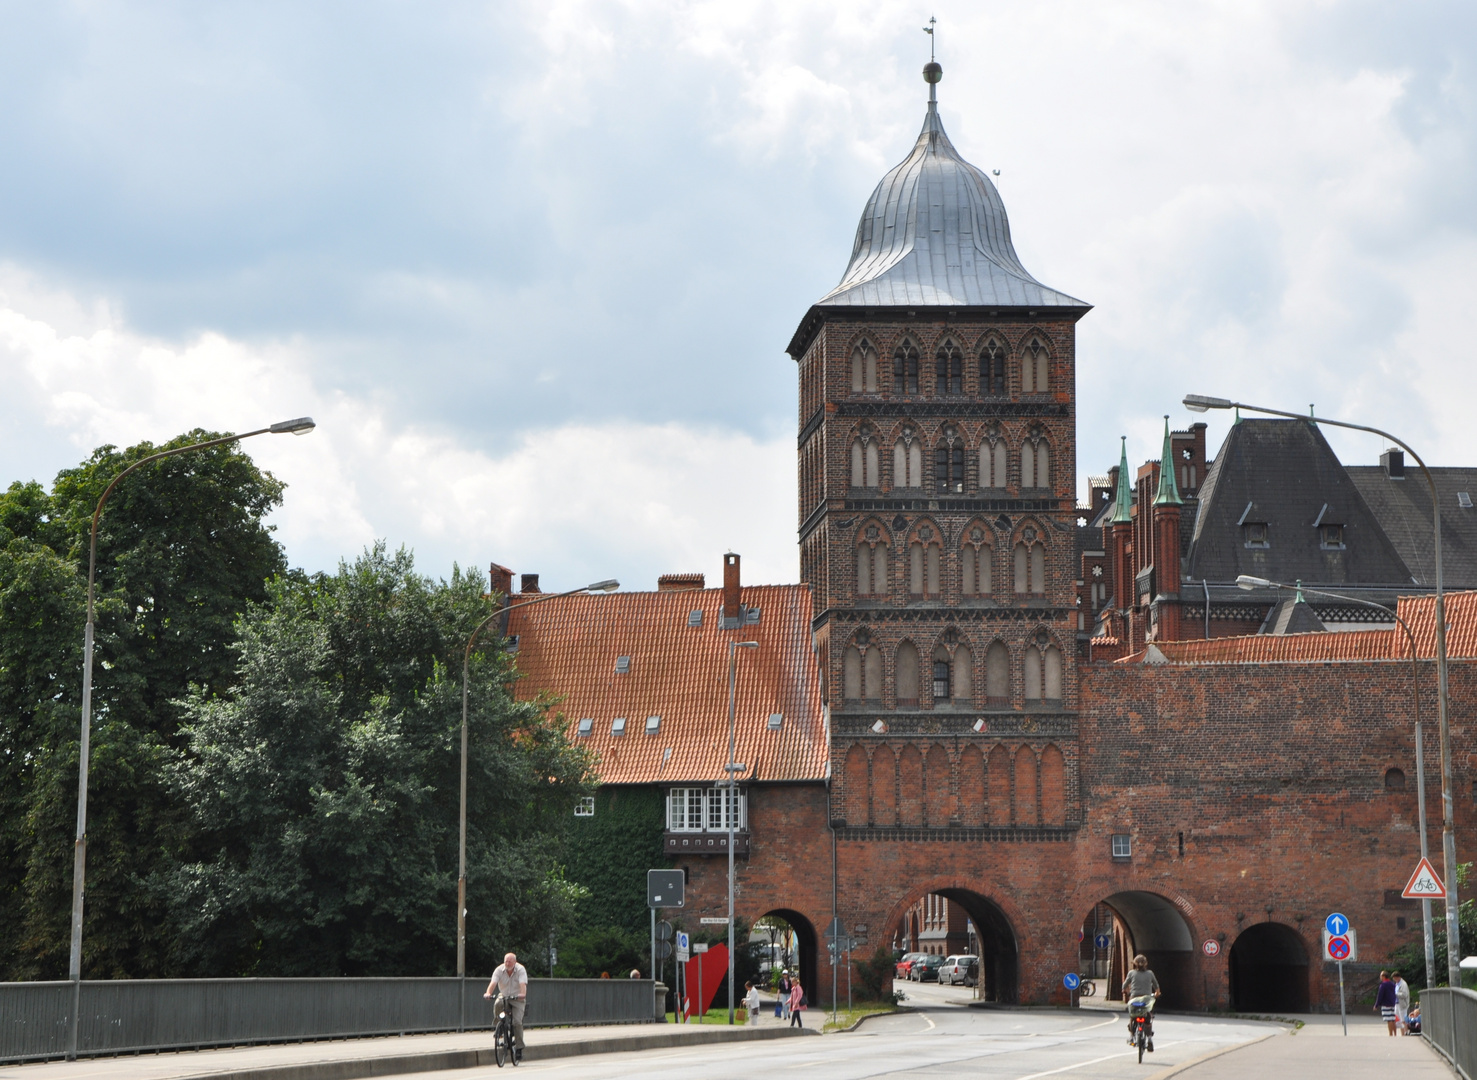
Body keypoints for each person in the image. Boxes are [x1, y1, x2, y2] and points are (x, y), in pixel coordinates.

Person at [483, 952, 528, 1062]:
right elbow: (493, 983)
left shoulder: (521, 970)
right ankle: (500, 1027)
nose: (507, 963)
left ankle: (519, 1048)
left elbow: (523, 985)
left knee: (517, 1022)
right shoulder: (499, 970)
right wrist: (488, 993)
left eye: (510, 961)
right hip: (504, 995)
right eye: (506, 961)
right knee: (498, 1003)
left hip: (517, 998)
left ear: (515, 962)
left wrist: (522, 994)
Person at [1121, 954, 1161, 1053]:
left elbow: (1124, 985)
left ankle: (1131, 1037)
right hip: (1146, 999)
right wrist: (1156, 994)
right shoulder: (1150, 973)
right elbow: (1156, 987)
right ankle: (1150, 1039)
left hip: (1134, 998)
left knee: (1132, 1016)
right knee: (1148, 1017)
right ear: (1146, 964)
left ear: (1134, 964)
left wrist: (1125, 991)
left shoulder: (1131, 973)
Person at [1375, 971, 1398, 1036]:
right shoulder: (1392, 984)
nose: (1380, 977)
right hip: (1393, 1003)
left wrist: (1376, 1005)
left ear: (1383, 976)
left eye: (1381, 976)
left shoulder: (1383, 985)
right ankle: (1395, 1034)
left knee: (1389, 1019)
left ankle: (1390, 1034)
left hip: (1386, 1004)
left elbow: (1380, 995)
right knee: (1393, 1019)